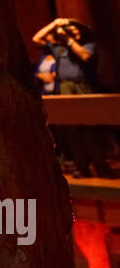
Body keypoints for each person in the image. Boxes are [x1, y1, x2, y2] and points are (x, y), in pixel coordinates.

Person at [32, 18, 108, 176]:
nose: (72, 32)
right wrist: (55, 24)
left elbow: (85, 57)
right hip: (65, 86)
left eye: (75, 30)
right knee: (71, 129)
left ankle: (101, 166)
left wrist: (70, 39)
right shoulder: (60, 49)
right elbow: (36, 39)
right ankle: (81, 167)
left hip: (83, 86)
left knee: (90, 127)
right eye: (69, 30)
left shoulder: (89, 45)